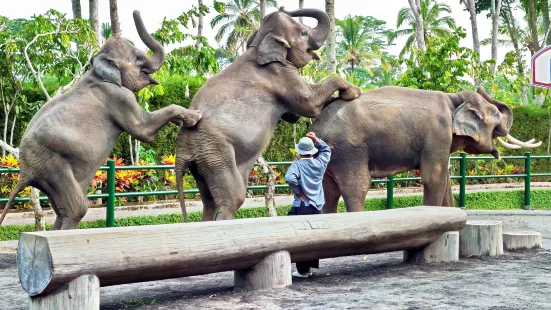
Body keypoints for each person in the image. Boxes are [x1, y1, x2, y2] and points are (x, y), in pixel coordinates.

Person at [285, 131, 331, 278]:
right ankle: (308, 269)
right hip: (317, 206)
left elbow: (290, 179)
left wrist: (299, 193)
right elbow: (326, 150)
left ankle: (302, 270)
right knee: (313, 237)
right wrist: (317, 139)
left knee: (300, 238)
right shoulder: (320, 163)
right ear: (312, 151)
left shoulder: (297, 166)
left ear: (300, 152)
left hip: (303, 205)